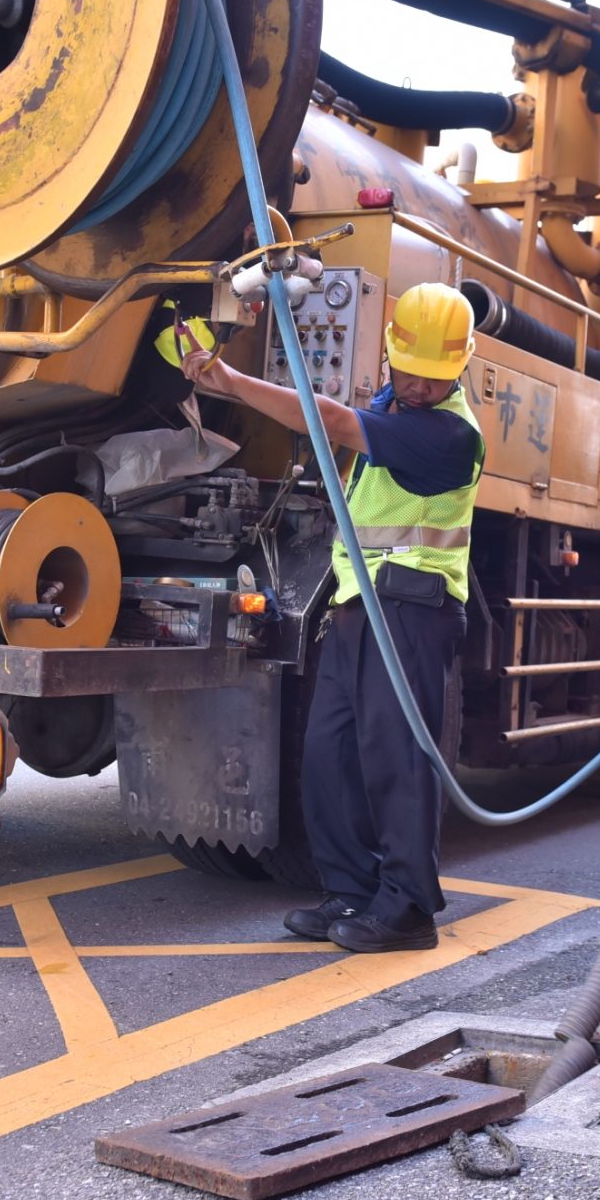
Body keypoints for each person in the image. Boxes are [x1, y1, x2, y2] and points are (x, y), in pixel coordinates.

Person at [181, 281, 483, 953]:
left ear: (458, 369)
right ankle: (350, 887)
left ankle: (408, 908)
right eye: (411, 372)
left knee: (396, 759)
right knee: (329, 753)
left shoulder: (449, 434)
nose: (421, 387)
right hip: (358, 604)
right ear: (390, 352)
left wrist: (228, 378)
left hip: (412, 608)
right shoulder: (396, 402)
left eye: (435, 378)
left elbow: (331, 420)